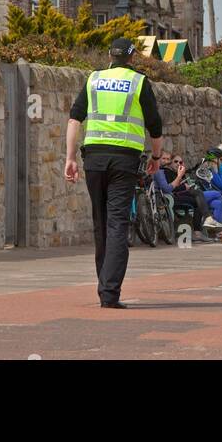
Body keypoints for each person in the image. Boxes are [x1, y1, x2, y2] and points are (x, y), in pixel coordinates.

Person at [64, 37, 163, 308]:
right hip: (124, 161)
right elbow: (155, 126)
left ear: (110, 56)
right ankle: (109, 292)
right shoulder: (139, 82)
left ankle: (104, 285)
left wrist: (70, 158)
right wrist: (155, 157)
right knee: (118, 222)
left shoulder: (93, 79)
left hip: (93, 159)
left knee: (101, 222)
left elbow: (74, 119)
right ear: (131, 58)